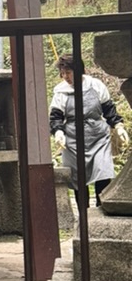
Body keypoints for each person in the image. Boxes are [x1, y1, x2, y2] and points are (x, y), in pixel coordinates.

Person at [49, 54, 129, 206]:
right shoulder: (60, 91)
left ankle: (103, 208)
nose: (65, 76)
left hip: (98, 136)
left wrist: (118, 126)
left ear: (79, 70)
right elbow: (56, 117)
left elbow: (108, 109)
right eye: (63, 73)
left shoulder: (96, 85)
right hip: (72, 139)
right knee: (78, 178)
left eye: (68, 72)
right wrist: (58, 132)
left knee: (103, 172)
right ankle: (83, 213)